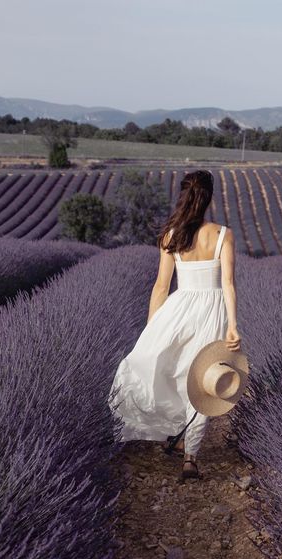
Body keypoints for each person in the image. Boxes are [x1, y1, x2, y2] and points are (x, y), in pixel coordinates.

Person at [108, 169, 241, 479]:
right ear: (209, 197)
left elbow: (160, 287)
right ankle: (190, 456)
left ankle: (172, 430)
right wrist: (233, 324)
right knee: (202, 379)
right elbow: (229, 284)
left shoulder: (172, 234)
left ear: (183, 195)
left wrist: (152, 329)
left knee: (170, 367)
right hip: (213, 309)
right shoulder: (223, 234)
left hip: (179, 307)